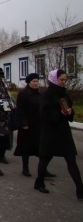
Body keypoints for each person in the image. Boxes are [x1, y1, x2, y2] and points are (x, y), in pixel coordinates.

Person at [34, 69, 83, 199]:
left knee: (71, 159)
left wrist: (69, 112)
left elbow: (69, 108)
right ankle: (39, 182)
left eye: (65, 80)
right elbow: (43, 114)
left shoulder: (63, 93)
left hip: (63, 131)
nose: (63, 82)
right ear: (55, 79)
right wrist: (58, 114)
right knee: (45, 158)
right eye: (61, 79)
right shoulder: (48, 94)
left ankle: (80, 189)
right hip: (50, 131)